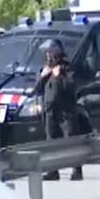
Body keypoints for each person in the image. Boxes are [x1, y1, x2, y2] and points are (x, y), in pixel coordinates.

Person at [34, 39, 85, 182]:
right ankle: (52, 171)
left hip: (66, 110)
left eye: (50, 52)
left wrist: (60, 76)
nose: (48, 55)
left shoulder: (67, 68)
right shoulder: (45, 68)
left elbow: (72, 87)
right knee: (51, 140)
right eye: (47, 53)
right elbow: (37, 89)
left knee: (71, 139)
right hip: (50, 109)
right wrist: (43, 76)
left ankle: (76, 171)